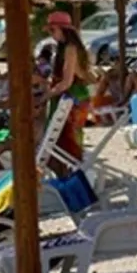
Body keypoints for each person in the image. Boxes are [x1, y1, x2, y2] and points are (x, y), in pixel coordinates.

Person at [42, 11, 94, 167]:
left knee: (67, 141)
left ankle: (70, 173)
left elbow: (67, 82)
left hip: (73, 98)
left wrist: (45, 96)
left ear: (64, 29)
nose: (51, 34)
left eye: (53, 30)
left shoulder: (70, 49)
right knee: (65, 141)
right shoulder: (68, 48)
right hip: (72, 96)